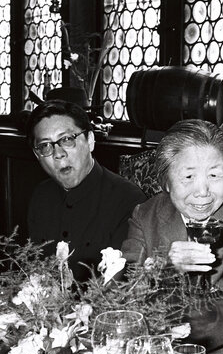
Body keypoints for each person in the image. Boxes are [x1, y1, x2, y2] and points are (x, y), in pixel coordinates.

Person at [121, 119, 223, 354]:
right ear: (167, 182)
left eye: (214, 175)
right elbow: (122, 288)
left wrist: (156, 326)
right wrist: (165, 268)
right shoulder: (146, 215)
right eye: (188, 176)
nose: (203, 191)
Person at [26, 100, 146, 280]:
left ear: (90, 141)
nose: (58, 153)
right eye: (45, 145)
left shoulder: (129, 200)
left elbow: (124, 286)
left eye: (66, 140)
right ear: (37, 155)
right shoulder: (41, 196)